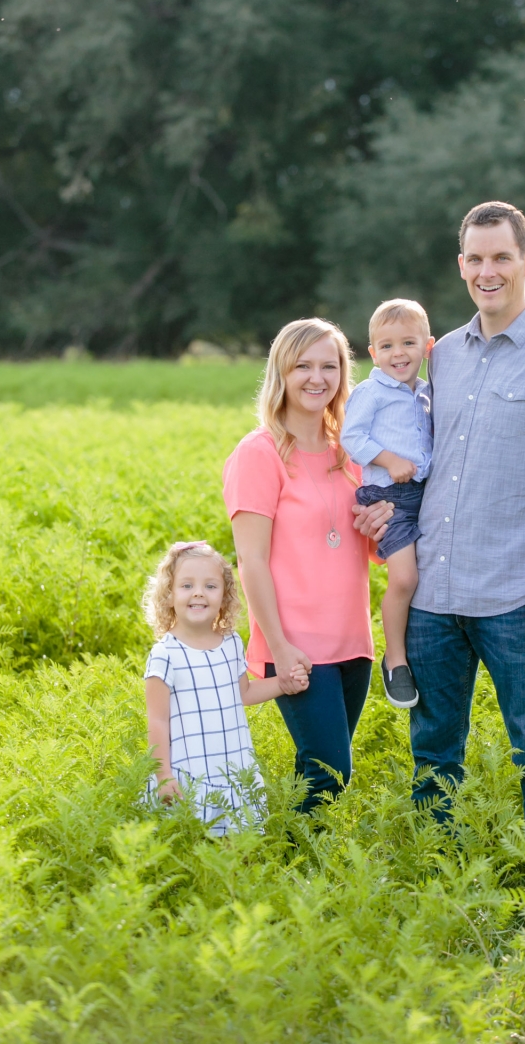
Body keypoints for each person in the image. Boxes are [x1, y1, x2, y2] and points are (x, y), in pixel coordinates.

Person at [354, 200, 525, 835]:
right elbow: (400, 440)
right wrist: (380, 505)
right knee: (434, 754)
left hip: (517, 597)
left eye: (501, 257)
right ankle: (440, 881)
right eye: (475, 258)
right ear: (461, 265)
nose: (487, 270)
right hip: (435, 596)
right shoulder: (441, 355)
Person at [223, 319, 376, 814]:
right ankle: (299, 875)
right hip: (295, 644)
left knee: (323, 771)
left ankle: (297, 866)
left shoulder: (352, 451)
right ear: (281, 374)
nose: (317, 377)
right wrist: (280, 647)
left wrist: (381, 525)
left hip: (353, 641)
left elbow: (367, 550)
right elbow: (251, 561)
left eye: (328, 365)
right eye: (302, 366)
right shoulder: (259, 452)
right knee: (329, 769)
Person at [142, 540, 308, 836]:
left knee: (238, 850)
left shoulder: (230, 643)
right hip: (189, 772)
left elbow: (243, 694)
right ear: (168, 595)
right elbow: (157, 720)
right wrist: (163, 775)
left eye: (210, 586)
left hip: (232, 769)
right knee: (194, 847)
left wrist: (284, 684)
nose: (198, 593)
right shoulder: (165, 654)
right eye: (186, 585)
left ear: (224, 596)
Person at [341, 299, 434, 709]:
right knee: (404, 580)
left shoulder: (427, 393)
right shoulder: (371, 392)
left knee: (428, 578)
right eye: (388, 346)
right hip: (388, 498)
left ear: (427, 346)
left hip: (425, 495)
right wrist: (389, 460)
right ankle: (395, 659)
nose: (399, 354)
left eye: (409, 343)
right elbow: (352, 438)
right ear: (373, 353)